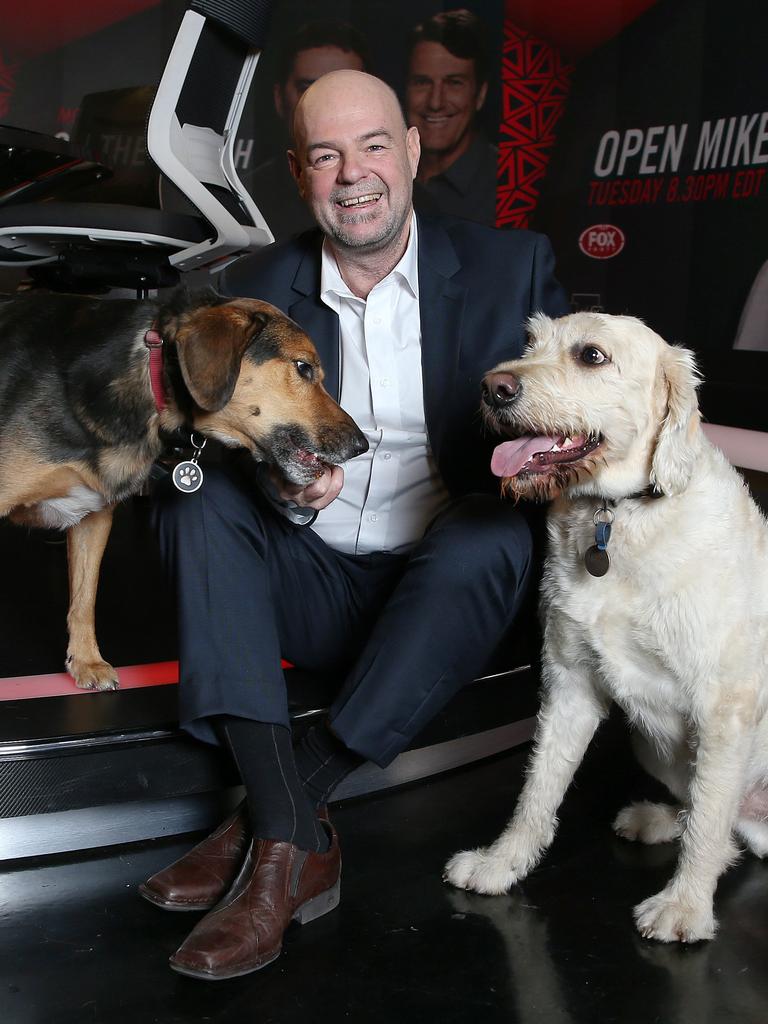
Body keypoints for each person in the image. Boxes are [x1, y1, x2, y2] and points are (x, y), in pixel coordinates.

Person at [143, 70, 569, 981]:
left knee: (492, 537)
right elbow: (206, 437)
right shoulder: (255, 286)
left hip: (440, 587)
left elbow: (574, 409)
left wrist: (544, 457)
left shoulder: (512, 267)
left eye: (374, 145)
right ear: (299, 172)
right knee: (192, 492)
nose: (354, 174)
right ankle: (296, 834)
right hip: (310, 576)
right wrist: (278, 485)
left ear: (412, 152)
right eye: (327, 155)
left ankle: (277, 830)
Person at [242, 19, 370, 242]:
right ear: (279, 98)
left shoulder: (406, 197)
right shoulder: (244, 203)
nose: (326, 105)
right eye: (307, 87)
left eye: (345, 88)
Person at [406, 8, 498, 226]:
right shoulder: (381, 171)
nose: (435, 102)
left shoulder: (508, 184)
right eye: (422, 82)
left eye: (454, 83)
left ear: (480, 94)